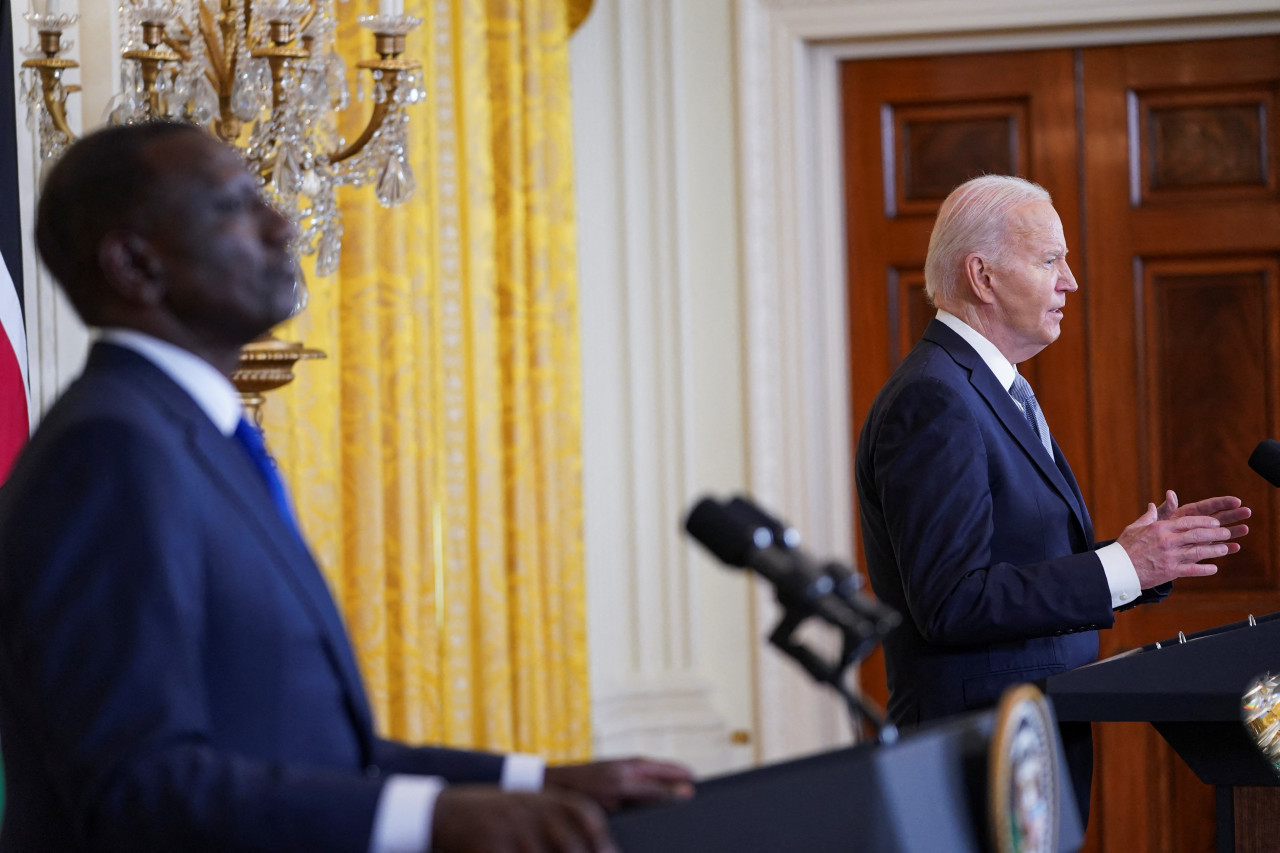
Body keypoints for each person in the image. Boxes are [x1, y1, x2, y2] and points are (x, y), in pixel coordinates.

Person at [0, 122, 693, 852]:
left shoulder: (197, 439)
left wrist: (538, 781)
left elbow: (305, 750)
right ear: (134, 264)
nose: (279, 223)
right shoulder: (109, 452)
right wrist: (436, 821)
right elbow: (134, 786)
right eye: (236, 205)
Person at [853, 174, 1250, 823]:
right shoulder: (936, 399)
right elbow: (953, 600)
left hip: (1021, 743)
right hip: (973, 757)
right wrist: (1120, 566)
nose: (1070, 281)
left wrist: (1141, 562)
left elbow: (1011, 564)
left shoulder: (984, 388)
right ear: (981, 276)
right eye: (1049, 260)